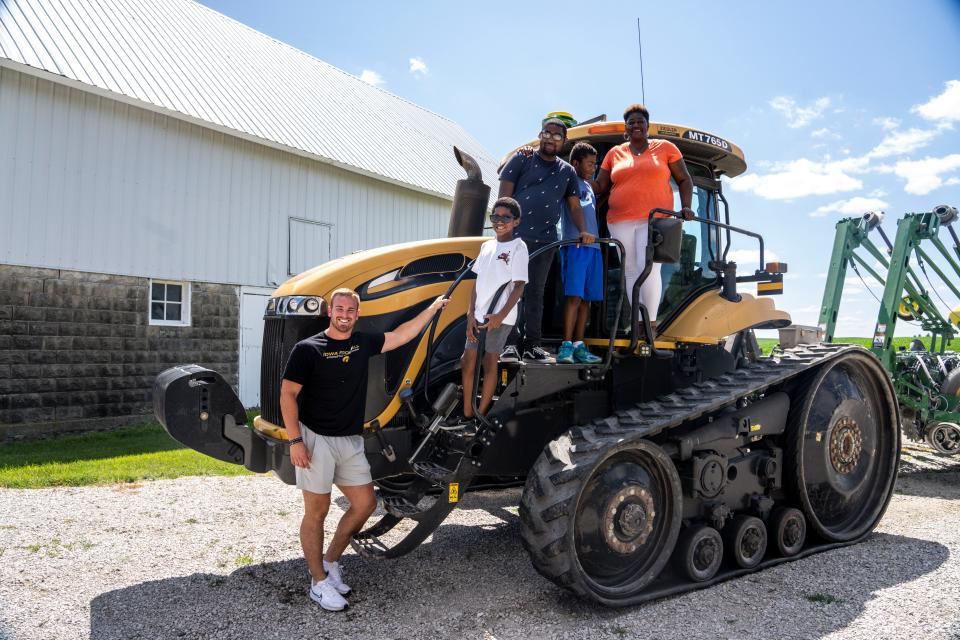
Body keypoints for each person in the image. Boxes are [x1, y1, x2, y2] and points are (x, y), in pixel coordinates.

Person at [280, 288, 448, 611]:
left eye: (350, 311)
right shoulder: (308, 349)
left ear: (357, 315)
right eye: (339, 309)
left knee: (366, 503)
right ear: (331, 312)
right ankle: (317, 582)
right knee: (317, 511)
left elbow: (402, 335)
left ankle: (330, 562)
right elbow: (287, 395)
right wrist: (295, 440)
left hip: (350, 441)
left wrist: (434, 308)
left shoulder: (362, 343)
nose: (344, 315)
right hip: (315, 439)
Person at [498, 117, 596, 363]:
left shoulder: (567, 171)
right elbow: (504, 195)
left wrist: (584, 230)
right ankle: (509, 344)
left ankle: (533, 344)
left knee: (536, 293)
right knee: (513, 290)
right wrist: (503, 228)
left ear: (563, 141)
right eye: (547, 133)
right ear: (540, 135)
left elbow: (574, 206)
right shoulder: (522, 159)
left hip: (546, 239)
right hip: (516, 237)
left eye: (557, 136)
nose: (551, 139)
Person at [593, 104, 695, 335]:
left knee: (647, 267)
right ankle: (639, 322)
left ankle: (650, 323)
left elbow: (685, 179)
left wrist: (686, 206)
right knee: (629, 270)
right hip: (619, 220)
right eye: (631, 122)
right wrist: (575, 175)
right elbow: (600, 185)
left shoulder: (666, 148)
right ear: (626, 128)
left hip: (655, 219)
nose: (636, 125)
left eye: (640, 121)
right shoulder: (614, 153)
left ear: (648, 125)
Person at [461, 197, 528, 425]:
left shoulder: (518, 247)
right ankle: (467, 413)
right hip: (479, 315)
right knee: (467, 360)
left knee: (490, 361)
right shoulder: (487, 246)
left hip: (499, 317)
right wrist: (470, 314)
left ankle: (481, 413)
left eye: (505, 217)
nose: (499, 221)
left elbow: (519, 286)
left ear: (516, 221)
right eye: (495, 216)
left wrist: (500, 316)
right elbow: (477, 282)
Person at [557, 142, 604, 365]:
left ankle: (579, 345)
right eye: (589, 163)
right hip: (576, 245)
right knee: (574, 296)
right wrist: (583, 231)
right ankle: (566, 346)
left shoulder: (588, 185)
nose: (593, 167)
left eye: (595, 164)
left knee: (587, 300)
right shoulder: (570, 181)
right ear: (575, 163)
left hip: (593, 248)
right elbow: (575, 208)